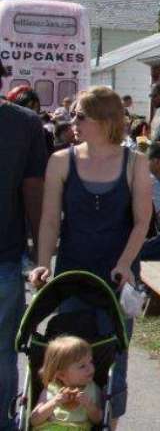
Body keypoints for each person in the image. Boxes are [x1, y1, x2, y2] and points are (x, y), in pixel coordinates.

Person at [28, 86, 153, 429]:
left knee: (114, 360)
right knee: (69, 359)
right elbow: (51, 220)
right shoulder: (61, 160)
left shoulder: (134, 162)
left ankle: (109, 423)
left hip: (117, 280)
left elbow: (143, 220)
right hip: (72, 277)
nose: (73, 121)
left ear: (105, 120)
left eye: (81, 115)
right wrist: (43, 264)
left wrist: (125, 263)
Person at [1, 69, 48, 431]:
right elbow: (34, 193)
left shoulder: (27, 124)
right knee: (2, 352)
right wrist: (41, 254)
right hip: (6, 255)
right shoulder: (26, 124)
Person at [30, 335, 101, 431]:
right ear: (61, 375)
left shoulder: (92, 389)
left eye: (90, 362)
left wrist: (89, 405)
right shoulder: (51, 389)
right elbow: (34, 419)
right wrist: (54, 402)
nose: (90, 368)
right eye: (82, 366)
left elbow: (98, 420)